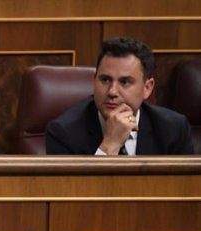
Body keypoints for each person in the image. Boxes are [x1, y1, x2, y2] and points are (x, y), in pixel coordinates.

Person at [46, 36, 193, 155]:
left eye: (125, 82)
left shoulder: (173, 129)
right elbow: (75, 191)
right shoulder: (63, 133)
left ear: (147, 88)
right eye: (105, 80)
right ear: (94, 80)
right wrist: (110, 145)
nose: (112, 92)